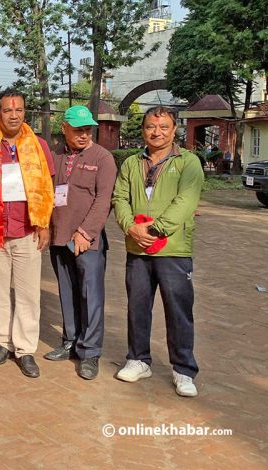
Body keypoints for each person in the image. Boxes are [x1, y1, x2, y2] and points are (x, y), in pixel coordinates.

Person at [111, 106, 204, 397]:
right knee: (137, 308)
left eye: (164, 127)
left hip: (173, 250)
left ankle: (183, 370)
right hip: (137, 249)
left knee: (178, 310)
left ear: (173, 129)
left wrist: (154, 230)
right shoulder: (130, 164)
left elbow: (185, 202)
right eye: (151, 126)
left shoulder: (188, 163)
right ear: (143, 130)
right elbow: (120, 198)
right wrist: (130, 227)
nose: (157, 132)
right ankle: (138, 359)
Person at [0, 89, 55, 378]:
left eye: (19, 110)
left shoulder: (39, 145)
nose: (14, 115)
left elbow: (47, 187)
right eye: (8, 110)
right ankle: (3, 342)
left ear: (25, 112)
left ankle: (26, 349)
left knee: (29, 294)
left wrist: (44, 224)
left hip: (28, 230)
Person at [45, 106, 117, 380]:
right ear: (64, 128)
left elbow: (104, 199)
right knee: (67, 291)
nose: (85, 135)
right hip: (59, 237)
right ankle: (70, 342)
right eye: (78, 129)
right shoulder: (56, 157)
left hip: (87, 241)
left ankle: (90, 353)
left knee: (91, 296)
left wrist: (86, 233)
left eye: (88, 129)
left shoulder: (103, 158)